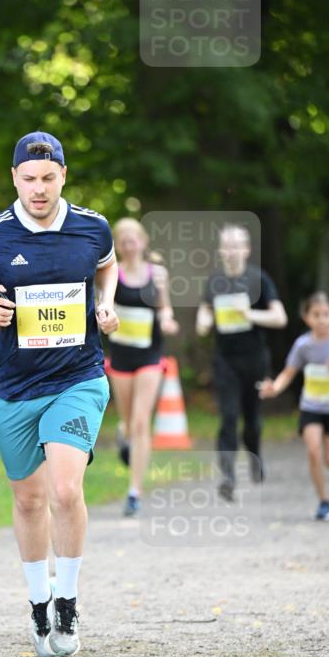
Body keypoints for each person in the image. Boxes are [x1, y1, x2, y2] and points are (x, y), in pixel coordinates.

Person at [0, 130, 119, 657]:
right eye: (29, 179)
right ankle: (38, 603)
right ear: (14, 179)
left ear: (63, 175)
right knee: (28, 499)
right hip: (13, 389)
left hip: (78, 378)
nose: (39, 189)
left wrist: (106, 304)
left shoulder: (92, 227)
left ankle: (68, 600)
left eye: (48, 178)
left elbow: (106, 265)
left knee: (65, 491)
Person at [196, 224, 287, 499]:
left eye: (237, 245)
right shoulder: (215, 282)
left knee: (252, 421)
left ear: (246, 249)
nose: (231, 251)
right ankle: (228, 477)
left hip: (255, 361)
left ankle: (255, 453)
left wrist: (250, 315)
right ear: (221, 250)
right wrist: (204, 321)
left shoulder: (259, 280)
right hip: (226, 361)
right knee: (229, 417)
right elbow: (204, 316)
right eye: (227, 245)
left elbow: (280, 318)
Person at [106, 218, 179, 516]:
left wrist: (166, 319)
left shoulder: (157, 274)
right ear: (118, 245)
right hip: (121, 357)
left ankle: (134, 491)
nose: (128, 243)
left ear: (143, 241)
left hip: (150, 355)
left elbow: (164, 307)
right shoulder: (111, 274)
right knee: (126, 420)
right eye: (122, 239)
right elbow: (104, 303)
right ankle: (124, 435)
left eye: (133, 237)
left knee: (140, 421)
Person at [259, 291, 329, 520]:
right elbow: (288, 373)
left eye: (326, 314)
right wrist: (275, 388)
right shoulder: (303, 345)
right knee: (313, 451)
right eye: (316, 314)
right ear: (306, 317)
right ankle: (323, 502)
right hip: (311, 407)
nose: (321, 319)